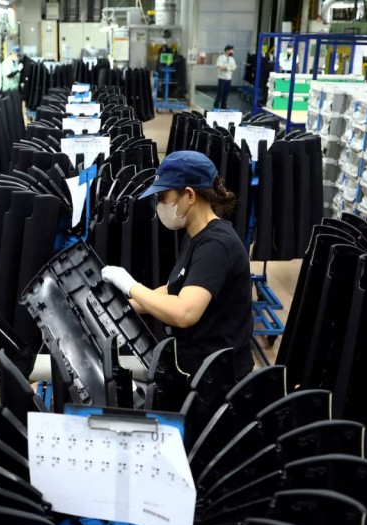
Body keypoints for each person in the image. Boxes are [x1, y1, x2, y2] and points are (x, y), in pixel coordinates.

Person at [101, 151, 254, 380]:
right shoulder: (196, 234)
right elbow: (176, 288)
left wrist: (130, 286)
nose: (160, 204)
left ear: (189, 195)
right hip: (194, 363)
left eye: (163, 196)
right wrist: (124, 306)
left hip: (217, 380)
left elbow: (185, 312)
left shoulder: (216, 246)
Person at [214, 44, 237, 110]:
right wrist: (227, 68)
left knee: (226, 92)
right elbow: (220, 67)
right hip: (222, 78)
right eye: (231, 50)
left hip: (228, 78)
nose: (232, 52)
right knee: (220, 92)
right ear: (227, 50)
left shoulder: (231, 59)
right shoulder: (221, 58)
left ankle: (223, 105)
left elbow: (234, 67)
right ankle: (216, 105)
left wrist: (229, 68)